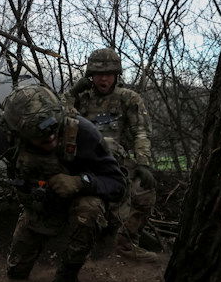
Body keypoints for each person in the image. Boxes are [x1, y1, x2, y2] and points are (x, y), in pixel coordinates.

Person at [0, 85, 126, 282]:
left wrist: (79, 182)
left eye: (54, 134)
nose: (51, 140)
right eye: (42, 139)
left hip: (78, 202)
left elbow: (117, 184)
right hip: (39, 206)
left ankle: (66, 279)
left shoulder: (83, 132)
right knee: (16, 274)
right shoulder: (7, 133)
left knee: (89, 209)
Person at [67, 48, 158, 262]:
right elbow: (59, 117)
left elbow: (141, 132)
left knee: (144, 191)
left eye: (108, 74)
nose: (104, 79)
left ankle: (125, 244)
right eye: (99, 74)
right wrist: (71, 93)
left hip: (118, 163)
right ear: (91, 76)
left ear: (116, 75)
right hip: (85, 163)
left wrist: (143, 163)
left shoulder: (128, 98)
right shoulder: (81, 99)